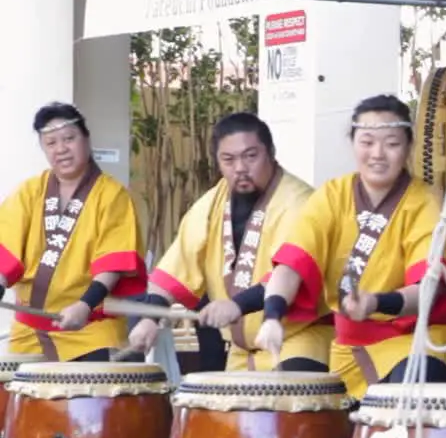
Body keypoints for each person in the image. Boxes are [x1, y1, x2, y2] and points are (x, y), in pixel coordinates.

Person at [257, 95, 446, 399]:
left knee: (407, 405)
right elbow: (292, 264)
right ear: (352, 143)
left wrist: (375, 303)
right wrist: (272, 315)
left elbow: (428, 287)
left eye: (391, 143)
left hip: (414, 346)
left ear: (408, 147)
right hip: (349, 352)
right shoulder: (332, 196)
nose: (378, 154)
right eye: (367, 142)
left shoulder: (426, 203)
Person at [128, 113, 332, 371]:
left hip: (298, 340)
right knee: (217, 407)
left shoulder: (298, 202)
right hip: (241, 352)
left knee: (287, 403)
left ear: (270, 153)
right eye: (229, 159)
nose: (240, 168)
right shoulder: (211, 203)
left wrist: (237, 305)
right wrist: (150, 318)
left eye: (250, 156)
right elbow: (175, 267)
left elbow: (291, 272)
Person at [0, 103, 146, 361]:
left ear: (86, 139)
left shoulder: (113, 195)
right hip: (30, 331)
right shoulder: (29, 191)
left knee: (88, 401)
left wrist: (85, 304)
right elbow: (6, 247)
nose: (61, 149)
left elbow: (113, 262)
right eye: (51, 143)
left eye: (69, 139)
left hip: (90, 329)